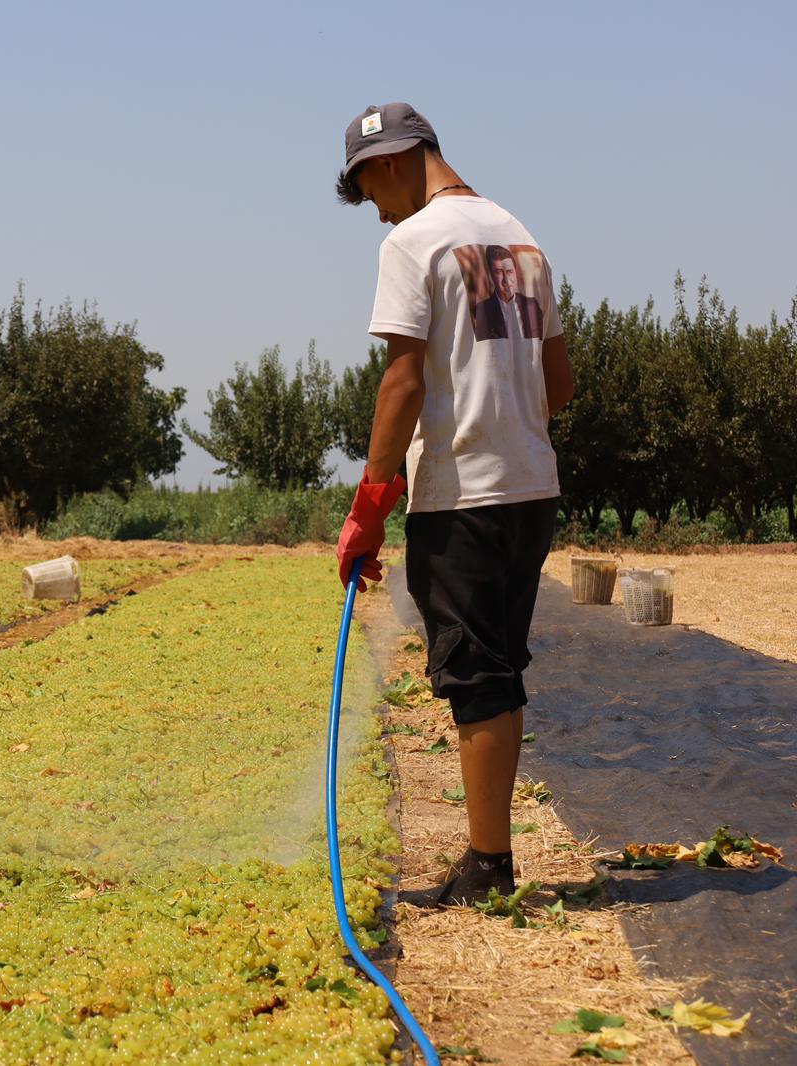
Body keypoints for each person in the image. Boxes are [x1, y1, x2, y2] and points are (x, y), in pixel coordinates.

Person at [331, 103, 575, 906]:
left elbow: (402, 380)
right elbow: (560, 385)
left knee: (476, 679)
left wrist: (370, 503)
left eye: (368, 185)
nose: (374, 206)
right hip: (531, 488)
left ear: (396, 160)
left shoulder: (411, 241)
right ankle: (490, 858)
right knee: (499, 671)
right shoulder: (524, 236)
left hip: (462, 494)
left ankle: (486, 868)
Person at [471, 245, 545, 341]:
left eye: (509, 272)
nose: (506, 279)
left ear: (516, 272)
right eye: (498, 272)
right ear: (491, 276)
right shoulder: (481, 311)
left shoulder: (532, 306)